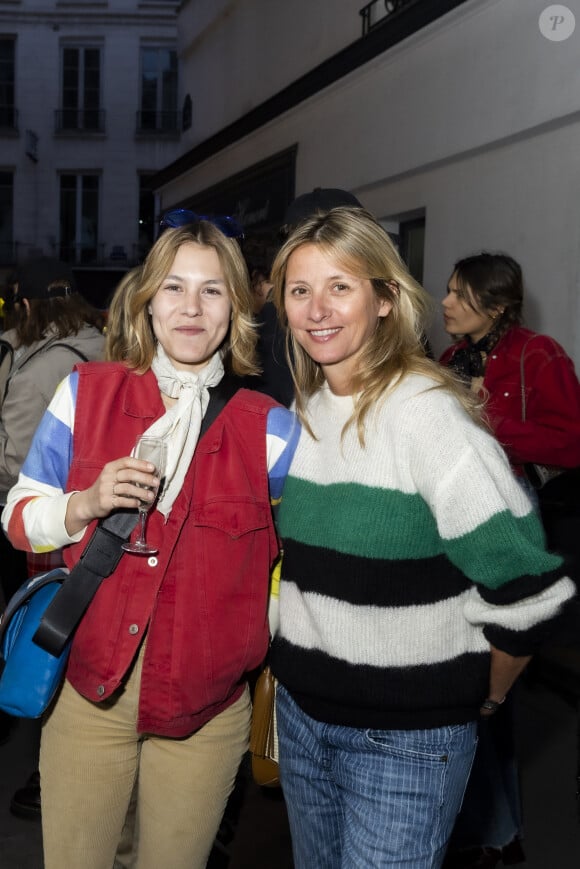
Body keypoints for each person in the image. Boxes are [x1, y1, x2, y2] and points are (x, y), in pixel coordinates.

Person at [267, 207, 575, 869]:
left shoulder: (428, 418)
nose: (317, 308)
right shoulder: (307, 407)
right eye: (300, 290)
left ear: (384, 298)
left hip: (401, 742)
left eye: (340, 286)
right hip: (301, 720)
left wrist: (479, 694)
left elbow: (534, 593)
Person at [2, 214, 299, 869]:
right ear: (146, 300)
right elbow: (19, 518)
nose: (191, 306)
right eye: (173, 287)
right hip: (88, 697)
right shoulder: (85, 393)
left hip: (207, 709)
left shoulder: (272, 429)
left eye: (212, 290)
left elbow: (300, 567)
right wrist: (86, 501)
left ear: (237, 308)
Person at [440, 252, 580, 868]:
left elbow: (573, 440)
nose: (443, 303)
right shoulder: (448, 360)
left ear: (494, 306)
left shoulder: (536, 353)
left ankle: (496, 832)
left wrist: (489, 429)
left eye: (456, 294)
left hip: (509, 514)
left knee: (492, 674)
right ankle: (474, 829)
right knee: (462, 677)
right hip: (453, 515)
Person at [0, 257, 105, 818]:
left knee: (47, 641)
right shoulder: (106, 343)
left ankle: (52, 775)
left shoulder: (39, 365)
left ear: (26, 305)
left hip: (53, 521)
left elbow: (12, 459)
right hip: (107, 523)